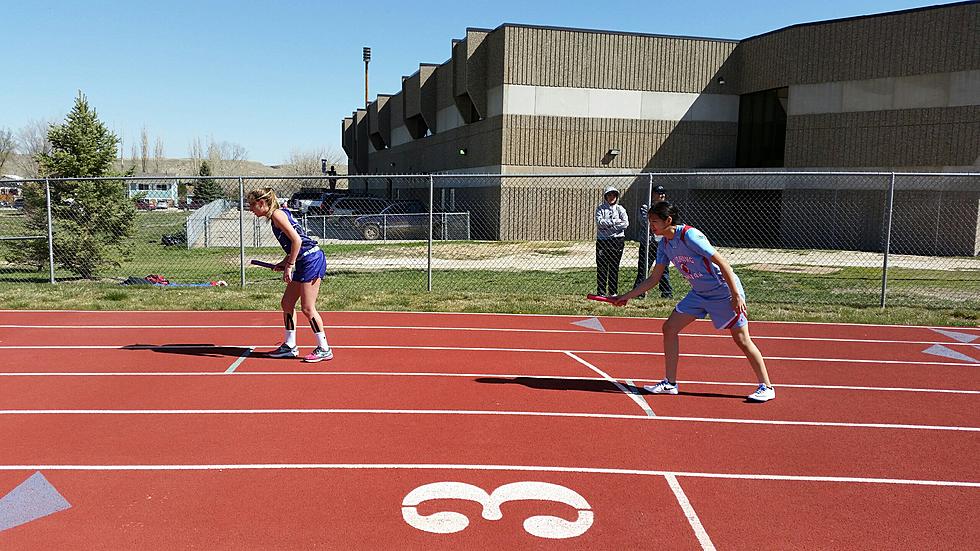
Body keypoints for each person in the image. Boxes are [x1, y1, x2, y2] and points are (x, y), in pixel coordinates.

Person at [612, 201, 775, 402]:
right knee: (669, 328)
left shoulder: (689, 236)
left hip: (723, 291)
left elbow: (723, 263)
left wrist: (736, 295)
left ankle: (766, 386)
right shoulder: (664, 244)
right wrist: (625, 296)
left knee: (741, 339)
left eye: (654, 221)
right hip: (698, 293)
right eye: (650, 221)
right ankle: (670, 383)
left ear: (668, 220)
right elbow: (654, 279)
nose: (651, 225)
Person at [247, 187, 333, 362]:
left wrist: (289, 265)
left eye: (252, 205)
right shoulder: (278, 214)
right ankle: (290, 346)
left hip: (311, 260)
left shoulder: (278, 215)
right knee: (287, 303)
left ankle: (324, 348)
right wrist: (285, 261)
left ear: (262, 203)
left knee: (308, 308)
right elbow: (294, 244)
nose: (250, 209)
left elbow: (298, 240)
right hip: (303, 260)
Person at [633, 185, 672, 299]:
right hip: (648, 243)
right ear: (653, 194)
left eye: (663, 193)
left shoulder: (667, 208)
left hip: (662, 243)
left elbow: (669, 223)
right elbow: (646, 222)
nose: (662, 195)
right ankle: (639, 292)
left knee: (663, 269)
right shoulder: (646, 207)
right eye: (659, 193)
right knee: (643, 269)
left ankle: (666, 293)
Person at [594, 185, 628, 297]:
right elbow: (600, 223)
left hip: (617, 240)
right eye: (609, 195)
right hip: (603, 241)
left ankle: (613, 292)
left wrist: (609, 225)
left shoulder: (620, 209)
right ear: (605, 196)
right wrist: (615, 222)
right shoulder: (600, 209)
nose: (612, 197)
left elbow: (625, 224)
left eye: (614, 195)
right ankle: (601, 291)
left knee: (614, 267)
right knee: (602, 267)